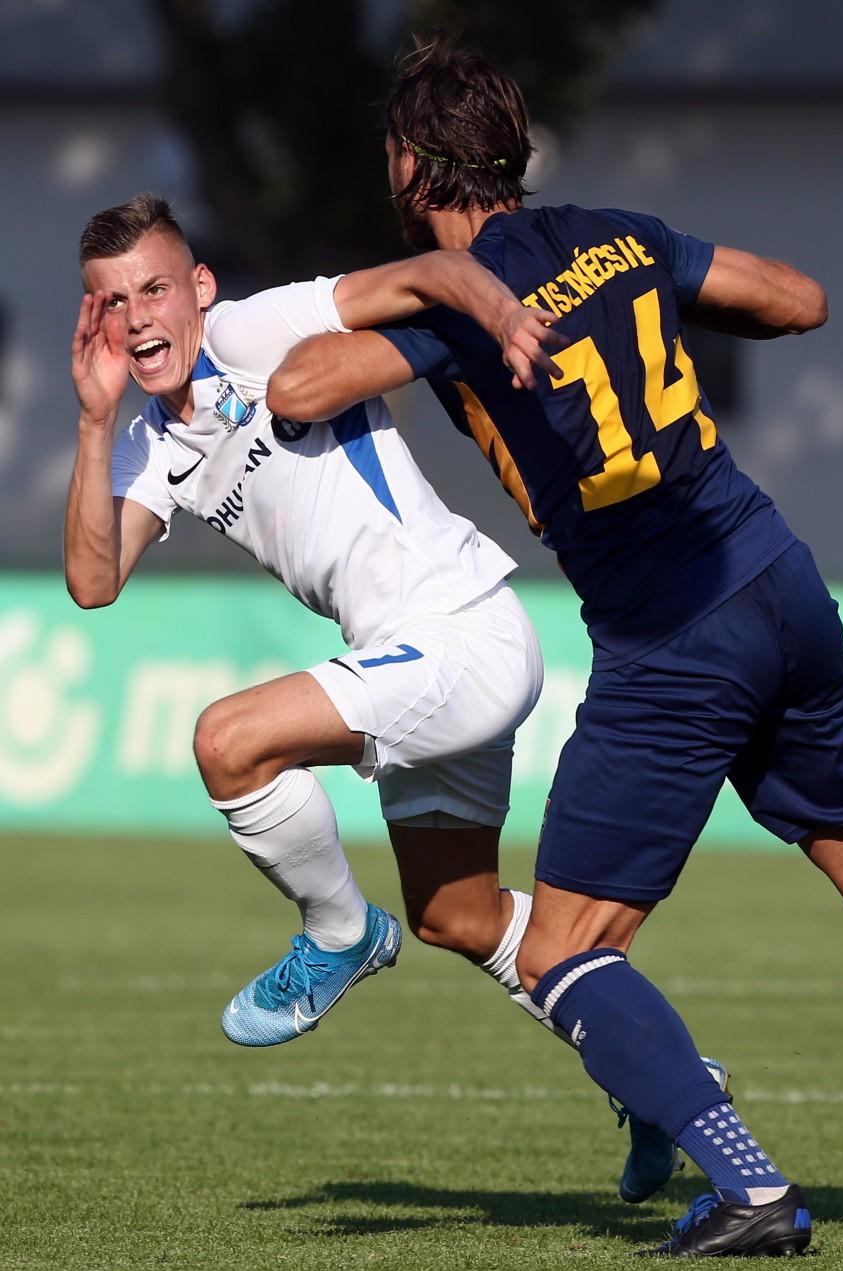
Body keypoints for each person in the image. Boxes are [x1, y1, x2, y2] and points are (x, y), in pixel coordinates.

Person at [267, 37, 843, 1257]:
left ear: (412, 168)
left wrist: (434, 288)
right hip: (775, 575)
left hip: (670, 635)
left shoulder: (459, 306)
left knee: (560, 949)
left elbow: (298, 387)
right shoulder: (618, 237)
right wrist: (651, 295)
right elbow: (797, 299)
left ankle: (750, 1188)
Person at [65, 193, 563, 1052]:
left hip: (461, 631)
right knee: (457, 916)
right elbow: (92, 582)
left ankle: (340, 934)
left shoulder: (249, 334)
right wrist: (93, 418)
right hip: (410, 654)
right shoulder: (146, 442)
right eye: (114, 301)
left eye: (154, 289)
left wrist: (506, 315)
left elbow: (426, 275)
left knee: (228, 742)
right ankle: (671, 1083)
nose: (137, 317)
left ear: (201, 287)